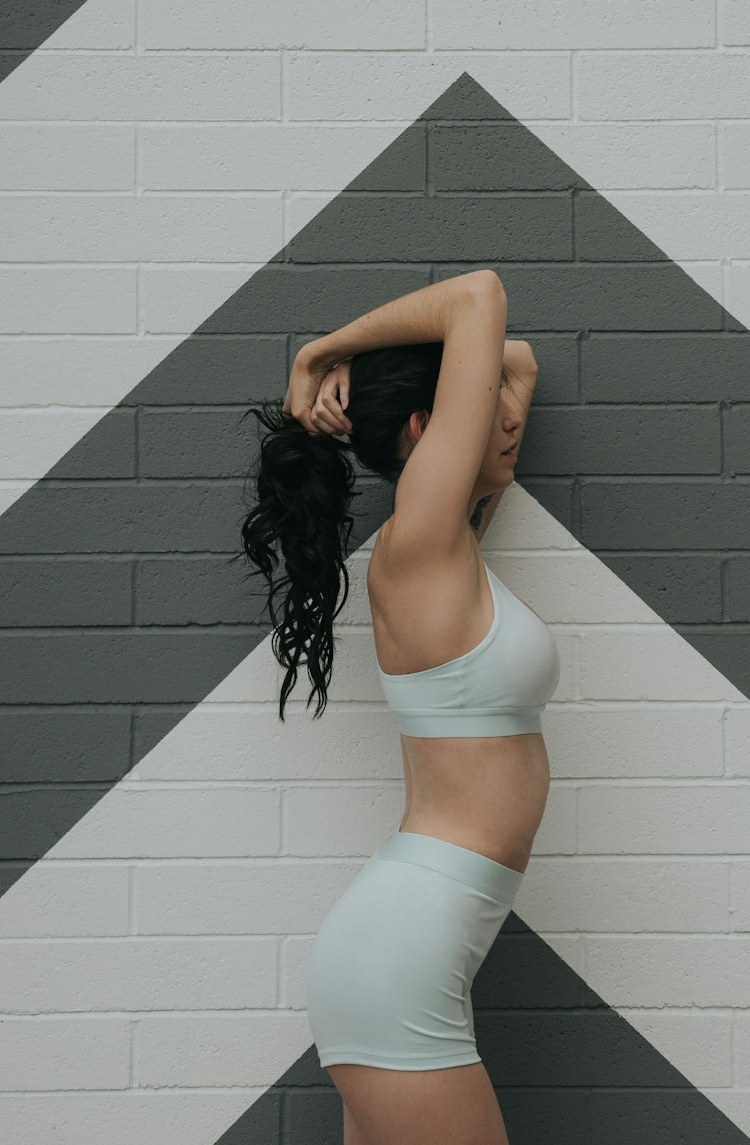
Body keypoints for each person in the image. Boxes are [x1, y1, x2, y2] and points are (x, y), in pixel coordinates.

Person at [239, 269, 559, 1145]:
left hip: (401, 957)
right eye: (479, 402)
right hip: (399, 966)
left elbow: (518, 361)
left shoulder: (445, 548)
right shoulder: (419, 536)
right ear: (427, 430)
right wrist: (322, 353)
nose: (507, 415)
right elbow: (482, 296)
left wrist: (471, 374)